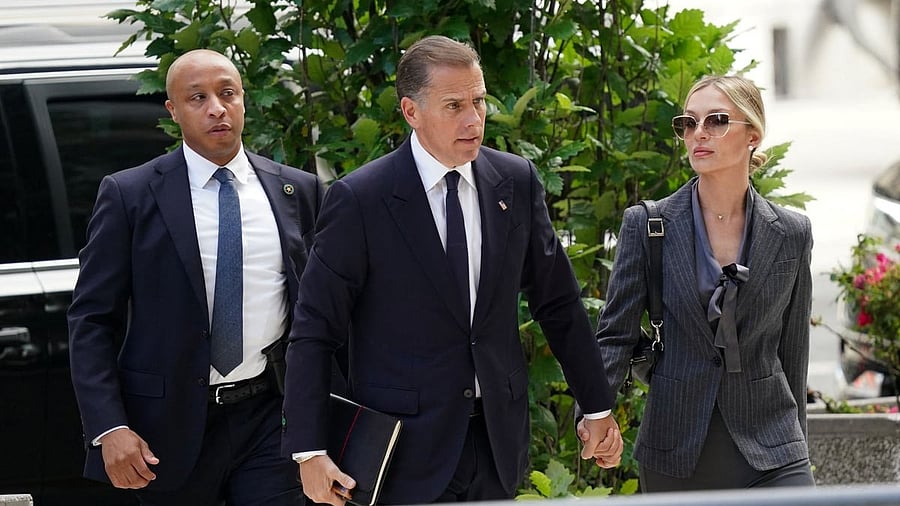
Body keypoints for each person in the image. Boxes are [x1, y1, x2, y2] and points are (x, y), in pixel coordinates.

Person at [281, 35, 623, 505]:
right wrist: (309, 448)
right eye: (454, 105)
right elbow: (315, 329)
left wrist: (597, 405)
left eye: (479, 101)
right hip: (401, 452)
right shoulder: (361, 200)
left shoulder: (515, 181)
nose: (473, 119)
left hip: (497, 444)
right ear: (411, 111)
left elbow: (558, 302)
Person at [67, 48, 324, 505]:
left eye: (228, 94)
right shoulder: (130, 195)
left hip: (269, 416)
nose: (216, 108)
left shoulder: (296, 190)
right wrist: (110, 426)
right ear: (173, 110)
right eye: (198, 98)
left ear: (245, 100)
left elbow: (322, 312)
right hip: (166, 429)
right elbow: (91, 319)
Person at [591, 75, 815, 491]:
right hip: (676, 448)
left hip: (774, 448)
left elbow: (793, 350)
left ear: (752, 135)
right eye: (688, 123)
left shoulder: (792, 232)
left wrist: (797, 440)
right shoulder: (649, 224)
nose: (698, 134)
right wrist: (596, 415)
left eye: (715, 121)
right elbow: (615, 336)